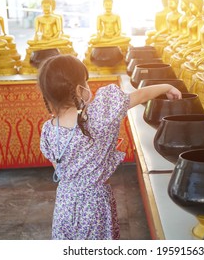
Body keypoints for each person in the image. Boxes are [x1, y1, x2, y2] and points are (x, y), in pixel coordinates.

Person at [37, 54, 181, 239]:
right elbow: (139, 96)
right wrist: (166, 87)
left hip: (65, 203)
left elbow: (60, 170)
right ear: (80, 90)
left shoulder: (49, 131)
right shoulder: (100, 116)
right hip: (94, 205)